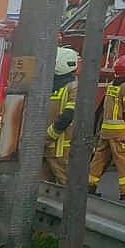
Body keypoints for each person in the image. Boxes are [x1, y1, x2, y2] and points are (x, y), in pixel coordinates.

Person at [88, 55, 125, 198]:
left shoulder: (112, 85)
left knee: (99, 159)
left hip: (106, 130)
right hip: (119, 131)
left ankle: (89, 185)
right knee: (123, 160)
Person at [41, 46, 79, 183]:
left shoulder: (69, 87)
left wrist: (45, 137)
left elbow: (68, 115)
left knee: (57, 188)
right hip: (52, 148)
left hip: (52, 148)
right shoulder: (69, 86)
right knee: (49, 189)